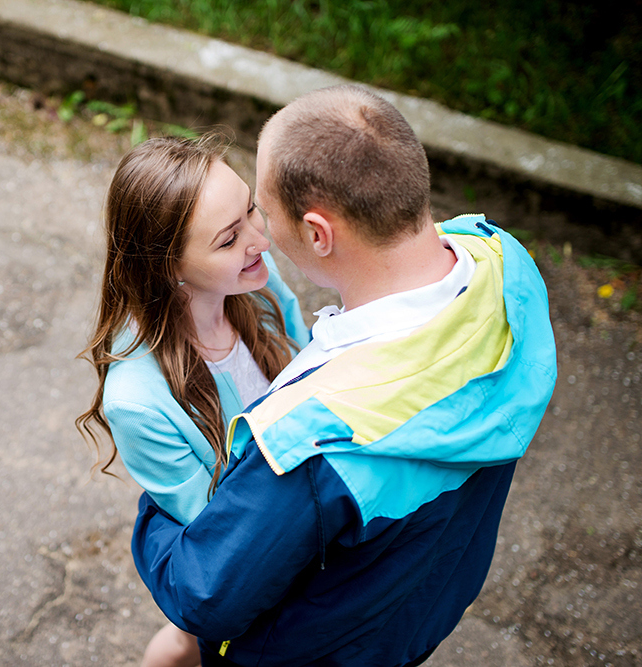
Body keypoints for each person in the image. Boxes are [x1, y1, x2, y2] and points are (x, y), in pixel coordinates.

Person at [131, 85, 558, 666]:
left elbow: (205, 596)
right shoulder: (505, 267)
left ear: (316, 233)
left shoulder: (309, 448)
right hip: (413, 616)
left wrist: (153, 513)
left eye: (261, 209)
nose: (259, 236)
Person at [77, 135, 310, 666]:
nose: (262, 241)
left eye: (252, 209)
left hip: (291, 506)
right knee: (187, 640)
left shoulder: (259, 286)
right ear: (167, 267)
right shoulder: (138, 401)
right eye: (229, 240)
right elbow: (215, 528)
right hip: (248, 549)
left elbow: (308, 368)